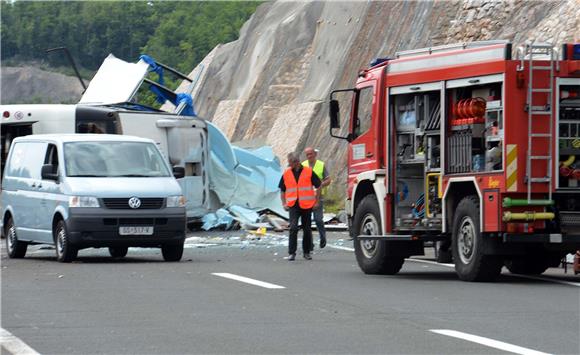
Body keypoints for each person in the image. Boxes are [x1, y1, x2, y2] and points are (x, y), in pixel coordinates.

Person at [279, 152, 321, 261]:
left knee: (307, 229)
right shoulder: (287, 173)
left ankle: (306, 252)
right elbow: (282, 190)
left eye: (290, 163)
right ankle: (292, 253)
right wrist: (284, 203)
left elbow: (318, 185)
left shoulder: (308, 171)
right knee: (293, 228)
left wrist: (316, 201)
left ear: (296, 162)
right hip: (293, 205)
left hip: (306, 205)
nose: (289, 165)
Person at [302, 147, 331, 249]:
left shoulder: (321, 165)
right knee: (307, 221)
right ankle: (310, 243)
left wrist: (319, 185)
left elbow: (328, 180)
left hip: (318, 196)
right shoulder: (303, 165)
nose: (309, 156)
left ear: (315, 154)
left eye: (311, 154)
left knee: (318, 219)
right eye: (307, 154)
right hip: (306, 197)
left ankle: (323, 237)